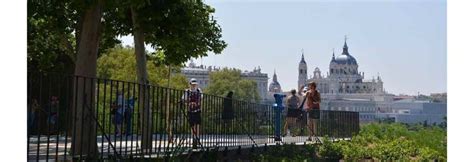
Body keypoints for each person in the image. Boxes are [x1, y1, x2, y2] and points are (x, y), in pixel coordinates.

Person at [182, 78, 202, 149]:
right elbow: (184, 100)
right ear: (190, 84)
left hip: (197, 109)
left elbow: (201, 99)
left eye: (195, 85)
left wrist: (198, 105)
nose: (194, 86)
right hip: (190, 110)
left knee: (198, 124)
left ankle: (197, 138)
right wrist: (190, 103)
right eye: (192, 84)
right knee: (192, 125)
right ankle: (193, 138)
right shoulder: (187, 91)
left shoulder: (199, 91)